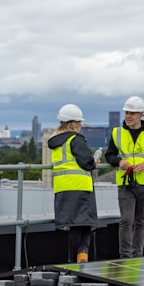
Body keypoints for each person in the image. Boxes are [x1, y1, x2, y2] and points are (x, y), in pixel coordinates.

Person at [106, 95, 144, 258]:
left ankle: (137, 255)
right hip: (125, 184)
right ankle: (126, 256)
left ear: (141, 115)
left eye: (132, 113)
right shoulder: (117, 133)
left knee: (141, 221)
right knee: (126, 221)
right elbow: (109, 155)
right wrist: (119, 162)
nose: (128, 116)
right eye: (127, 113)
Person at [47, 103, 99, 263]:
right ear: (74, 123)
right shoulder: (75, 139)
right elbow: (86, 162)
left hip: (63, 187)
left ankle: (76, 258)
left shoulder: (55, 142)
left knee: (75, 224)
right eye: (80, 122)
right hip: (80, 187)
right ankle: (79, 257)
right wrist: (94, 161)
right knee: (83, 223)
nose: (81, 125)